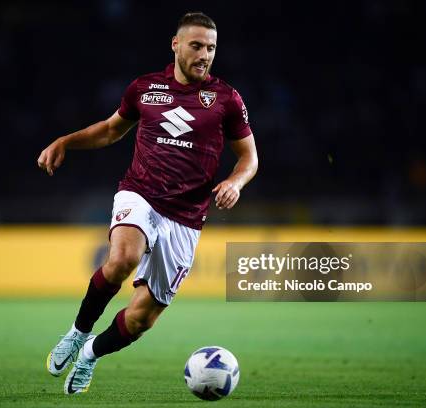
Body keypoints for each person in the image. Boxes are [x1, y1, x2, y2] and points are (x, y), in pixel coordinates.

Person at [37, 11, 258, 395]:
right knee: (122, 259)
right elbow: (109, 131)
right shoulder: (145, 88)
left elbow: (249, 158)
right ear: (175, 45)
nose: (204, 54)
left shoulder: (226, 99)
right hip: (140, 193)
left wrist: (235, 183)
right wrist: (65, 141)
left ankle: (90, 353)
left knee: (141, 319)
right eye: (196, 45)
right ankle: (76, 333)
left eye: (211, 47)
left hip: (186, 218)